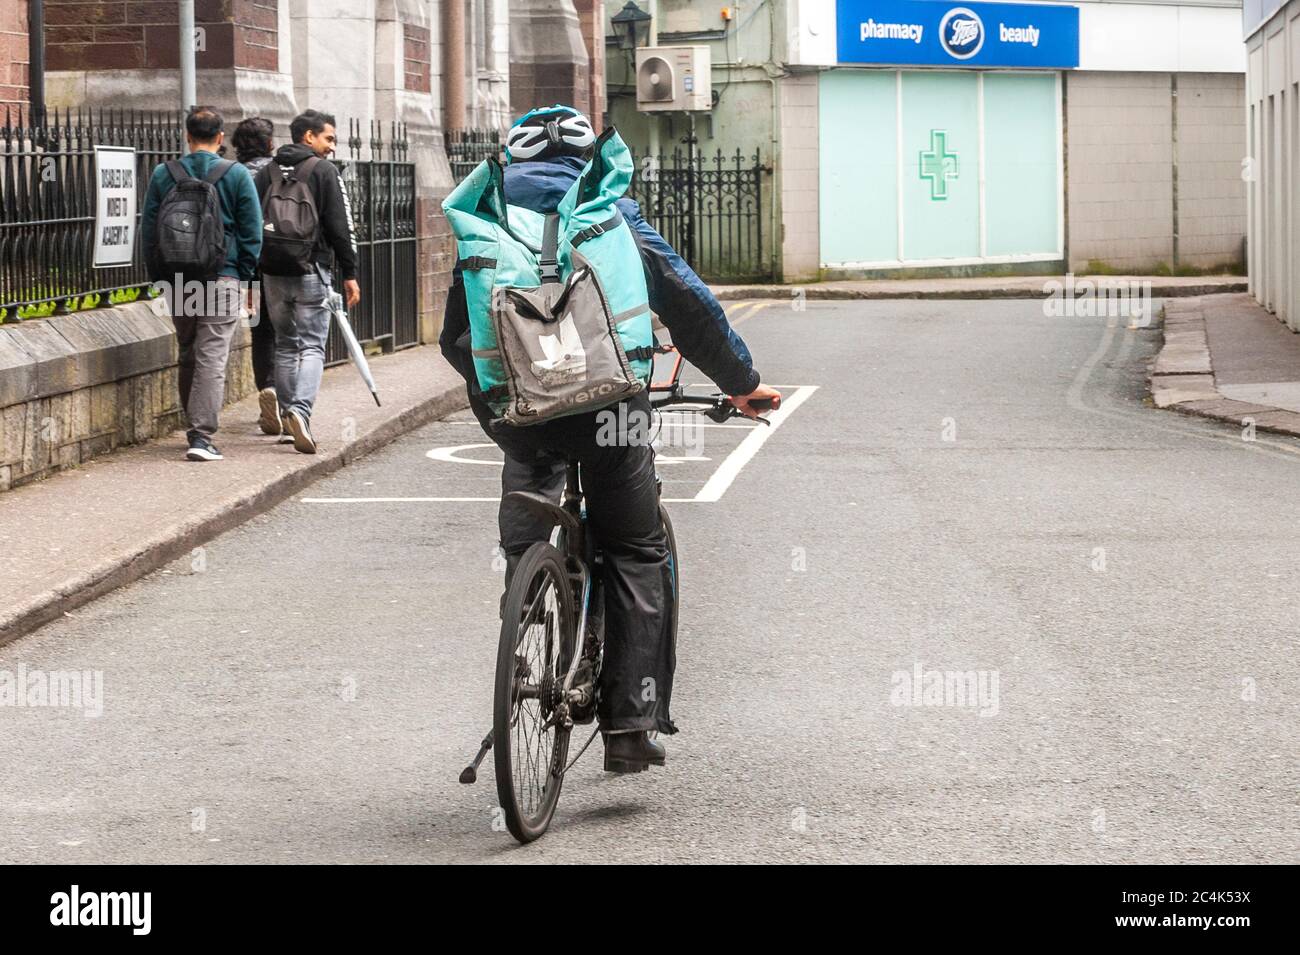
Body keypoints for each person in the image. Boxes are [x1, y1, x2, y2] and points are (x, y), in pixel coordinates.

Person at [439, 105, 781, 773]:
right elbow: (687, 305)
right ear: (584, 157)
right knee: (634, 546)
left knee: (530, 484)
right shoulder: (609, 212)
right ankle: (630, 724)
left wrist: (506, 396)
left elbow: (458, 334)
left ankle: (531, 589)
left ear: (515, 159)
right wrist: (742, 382)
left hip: (520, 412)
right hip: (609, 411)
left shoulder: (489, 223)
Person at [141, 105, 262, 462]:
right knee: (212, 356)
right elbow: (252, 231)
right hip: (221, 275)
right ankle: (201, 434)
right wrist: (245, 276)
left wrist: (159, 277)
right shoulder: (237, 175)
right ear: (220, 137)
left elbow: (150, 228)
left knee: (188, 350)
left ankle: (192, 426)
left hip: (178, 278)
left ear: (188, 136)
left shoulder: (165, 173)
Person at [253, 109, 360, 454]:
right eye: (328, 138)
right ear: (308, 137)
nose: (331, 146)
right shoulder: (323, 171)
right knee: (313, 345)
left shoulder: (266, 172)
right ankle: (300, 411)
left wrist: (252, 275)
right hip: (311, 268)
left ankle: (288, 422)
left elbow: (252, 224)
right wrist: (350, 273)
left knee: (285, 344)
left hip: (272, 271)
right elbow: (338, 226)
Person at [230, 116, 281, 438]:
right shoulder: (280, 172)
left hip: (249, 265)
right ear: (269, 143)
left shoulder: (233, 174)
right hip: (285, 260)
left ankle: (268, 387)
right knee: (291, 335)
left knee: (261, 333)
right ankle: (290, 399)